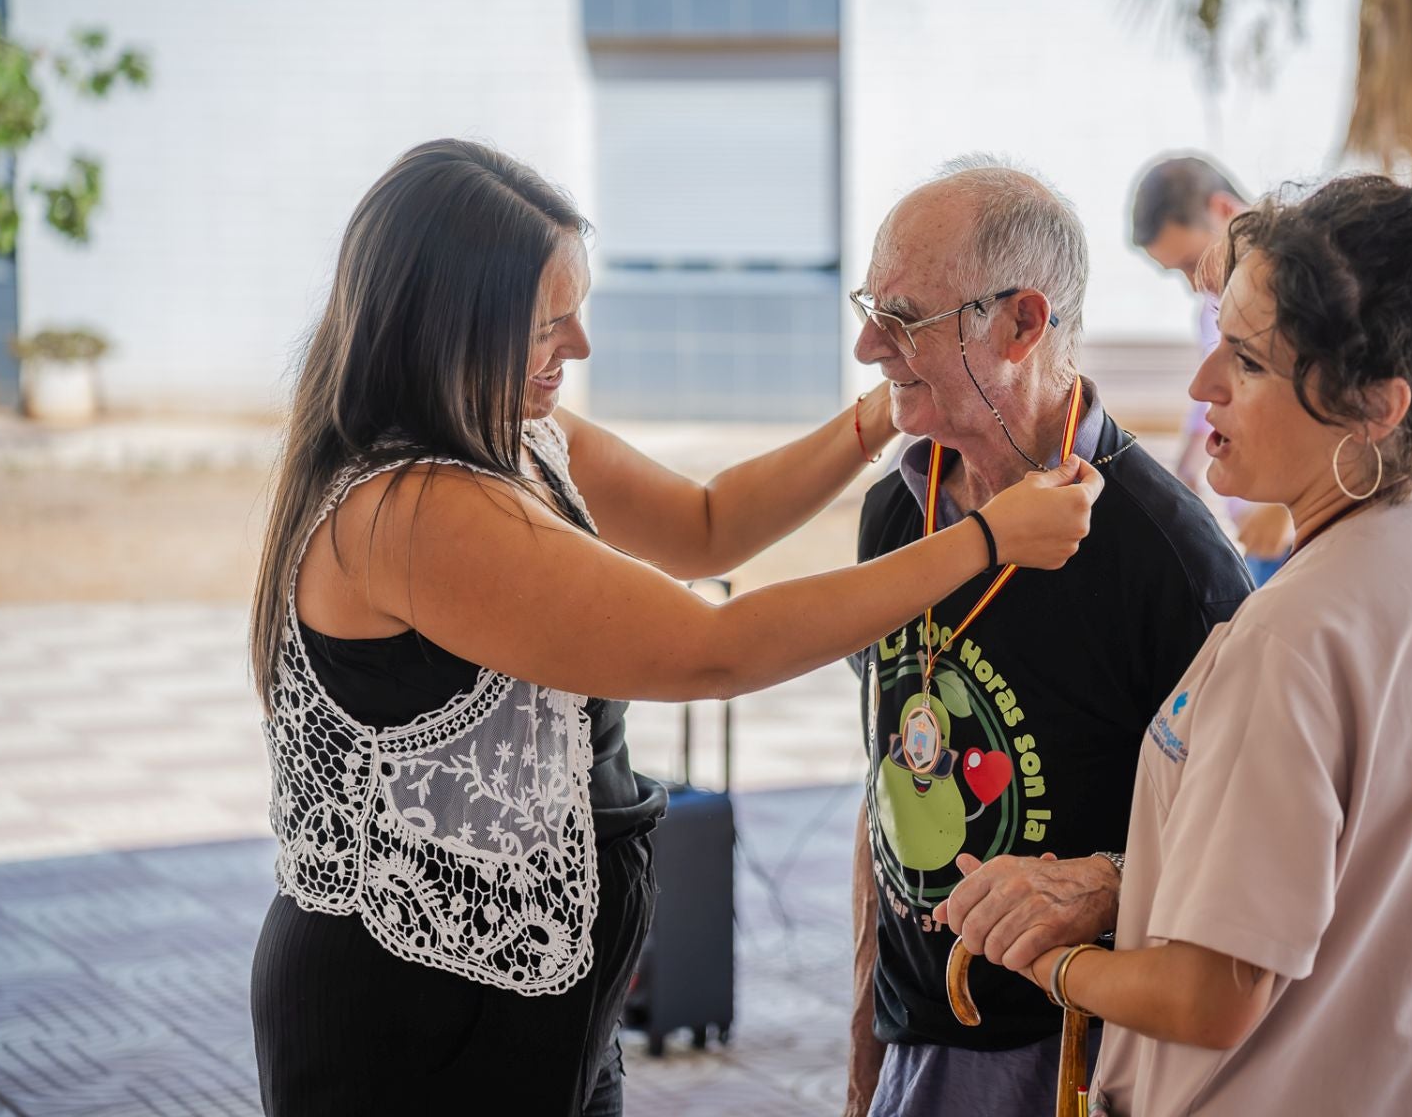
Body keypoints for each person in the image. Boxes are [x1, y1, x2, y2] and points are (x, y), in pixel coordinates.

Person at [247, 139, 1103, 1117]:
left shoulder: (518, 435)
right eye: (548, 323)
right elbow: (713, 648)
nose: (580, 348)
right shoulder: (411, 508)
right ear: (448, 329)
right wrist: (987, 539)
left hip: (544, 998)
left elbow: (705, 525)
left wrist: (885, 413)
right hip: (416, 1018)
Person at [942, 166, 1412, 1115]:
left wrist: (1055, 964)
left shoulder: (1290, 636)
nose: (1203, 387)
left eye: (1247, 361)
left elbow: (1210, 997)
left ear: (1375, 408)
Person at [845, 156, 1253, 1117]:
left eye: (904, 318)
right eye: (871, 307)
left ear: (1024, 323)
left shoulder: (1173, 561)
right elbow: (882, 801)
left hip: (1074, 1061)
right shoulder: (891, 516)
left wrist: (1110, 883)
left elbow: (1248, 859)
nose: (868, 345)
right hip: (914, 1044)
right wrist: (863, 1056)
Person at [1130, 154, 1293, 585]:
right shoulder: (1212, 301)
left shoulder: (1304, 286)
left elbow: (1343, 396)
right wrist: (1183, 472)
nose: (1195, 283)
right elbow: (1211, 400)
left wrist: (1284, 506)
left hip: (1300, 521)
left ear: (1223, 210)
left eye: (1191, 261)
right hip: (1258, 528)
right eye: (1178, 272)